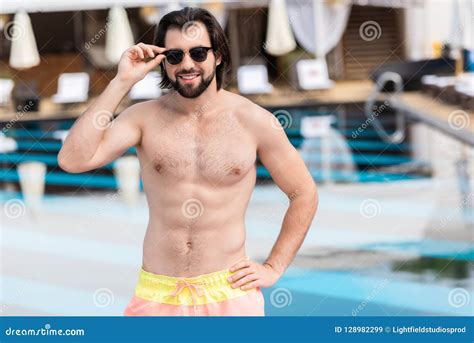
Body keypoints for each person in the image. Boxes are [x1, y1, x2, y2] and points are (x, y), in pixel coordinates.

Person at [58, 7, 318, 316]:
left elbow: (304, 194)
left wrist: (274, 266)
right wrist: (121, 82)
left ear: (218, 55)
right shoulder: (143, 118)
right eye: (175, 56)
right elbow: (73, 160)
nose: (187, 64)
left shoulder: (254, 121)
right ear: (163, 61)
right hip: (158, 295)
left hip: (230, 294)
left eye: (198, 53)